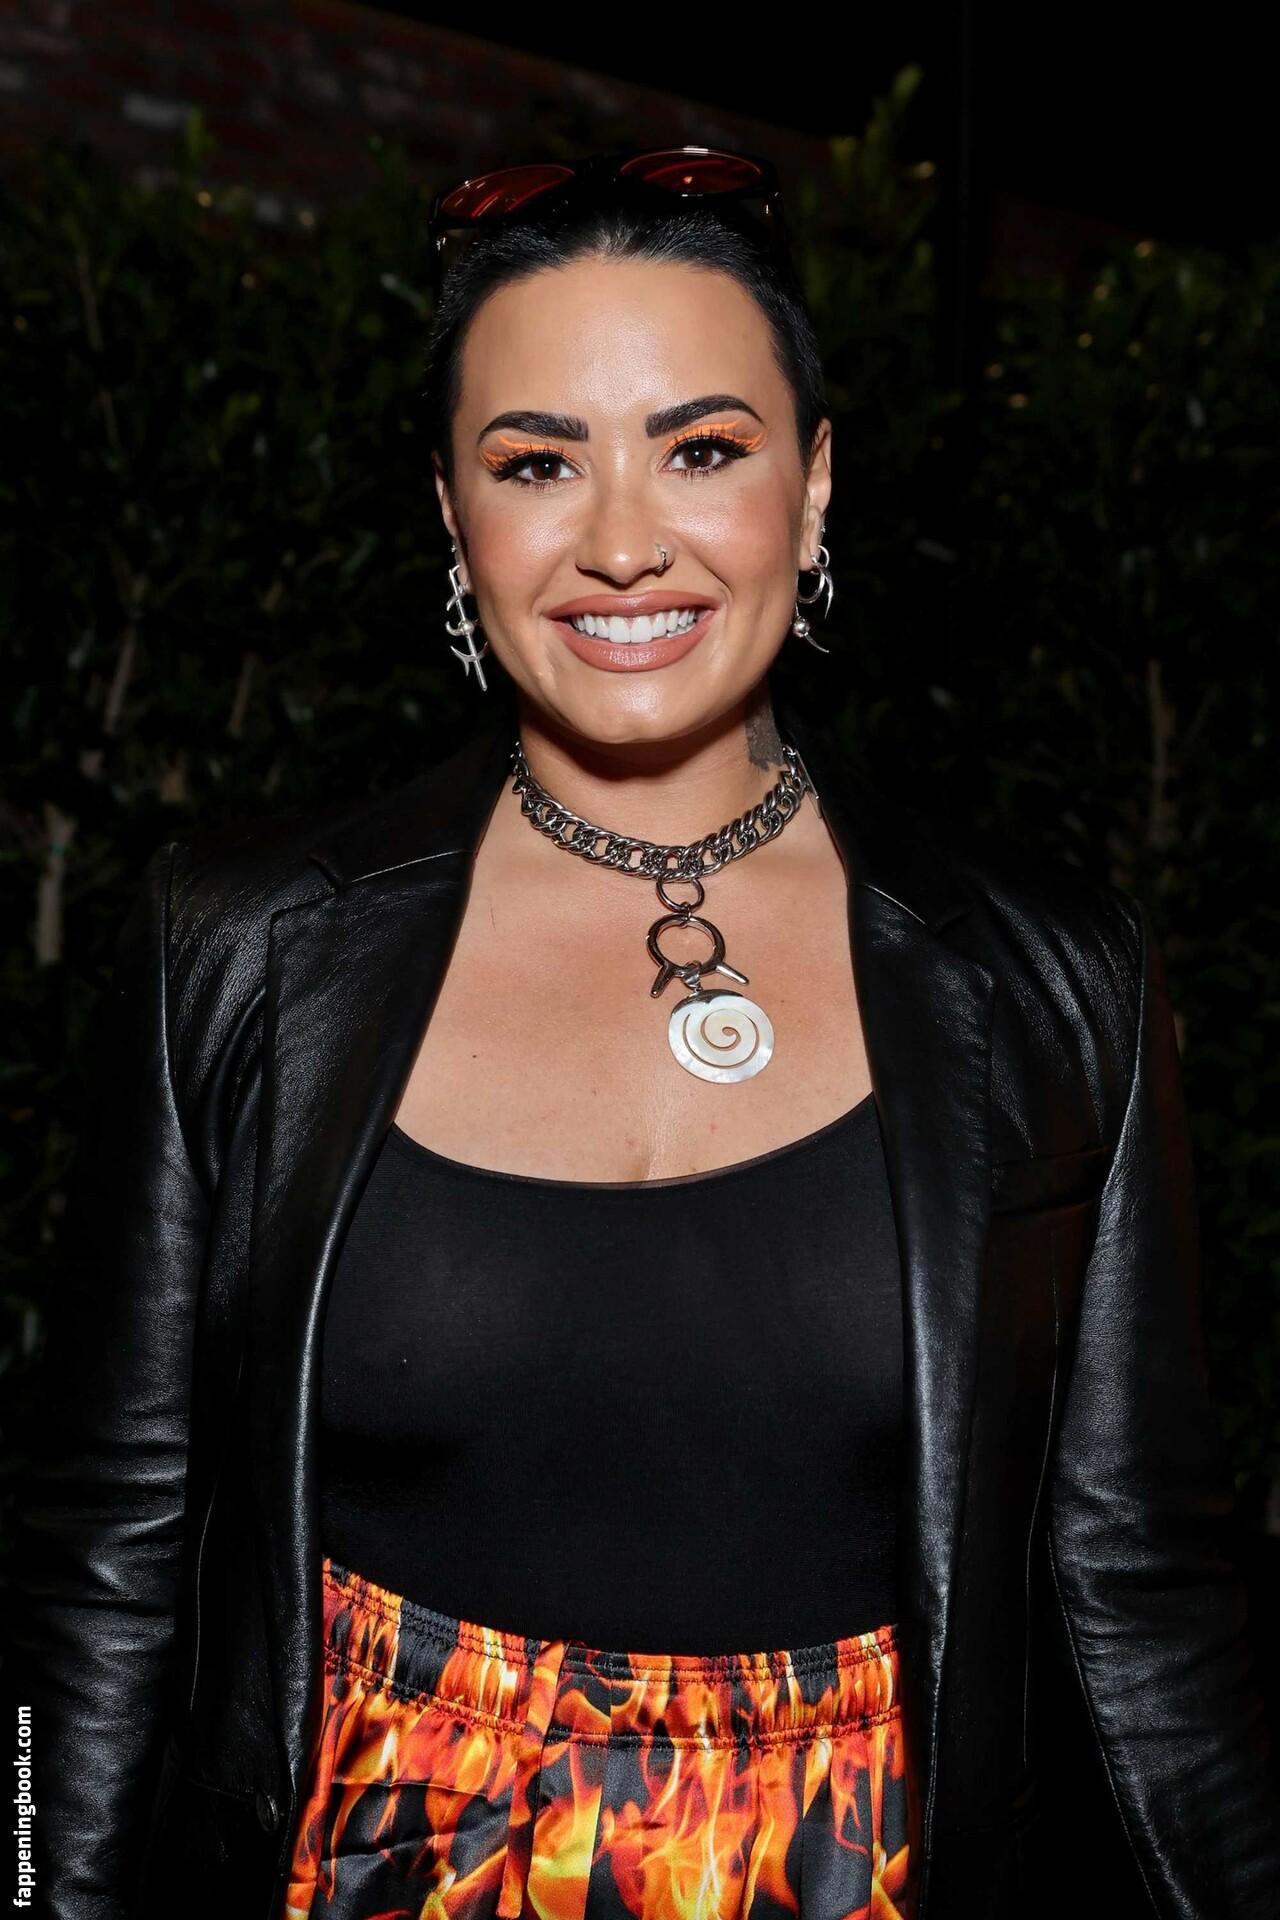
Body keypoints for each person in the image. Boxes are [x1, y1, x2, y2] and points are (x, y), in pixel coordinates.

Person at [7, 145, 1279, 1920]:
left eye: (703, 449)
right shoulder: (240, 949)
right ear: (452, 515)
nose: (620, 541)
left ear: (814, 489)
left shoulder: (1051, 976)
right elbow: (102, 1561)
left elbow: (1141, 1590)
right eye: (537, 463)